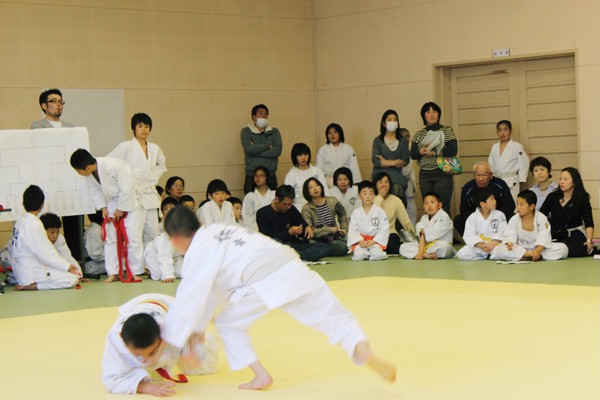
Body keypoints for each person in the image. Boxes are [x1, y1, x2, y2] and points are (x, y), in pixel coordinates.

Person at [158, 206, 396, 390]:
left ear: (175, 240)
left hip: (262, 278)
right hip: (290, 263)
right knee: (334, 316)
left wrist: (168, 348)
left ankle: (261, 375)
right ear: (199, 223)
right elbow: (213, 290)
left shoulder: (197, 252)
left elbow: (190, 299)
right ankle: (361, 347)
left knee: (229, 323)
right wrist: (198, 331)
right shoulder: (220, 230)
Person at [102, 293, 218, 396]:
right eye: (139, 354)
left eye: (152, 351)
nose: (147, 358)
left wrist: (194, 350)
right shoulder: (115, 338)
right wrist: (145, 387)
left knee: (200, 367)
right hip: (140, 308)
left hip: (168, 308)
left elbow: (198, 321)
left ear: (161, 337)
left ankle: (199, 344)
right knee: (149, 376)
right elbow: (111, 380)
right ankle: (153, 360)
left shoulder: (173, 322)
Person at [70, 148, 145, 283]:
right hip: (111, 203)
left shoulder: (116, 165)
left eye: (78, 170)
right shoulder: (89, 175)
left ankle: (134, 271)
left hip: (131, 202)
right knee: (110, 238)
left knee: (132, 237)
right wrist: (103, 207)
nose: (78, 173)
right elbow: (95, 191)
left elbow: (126, 188)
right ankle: (113, 272)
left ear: (87, 168)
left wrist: (121, 208)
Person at [30, 88, 83, 261]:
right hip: (47, 178)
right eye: (54, 101)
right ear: (44, 105)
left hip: (68, 180)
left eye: (61, 101)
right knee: (48, 221)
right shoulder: (38, 126)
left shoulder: (71, 128)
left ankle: (76, 262)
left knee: (73, 222)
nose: (58, 105)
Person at [109, 113, 167, 246]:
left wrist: (153, 177)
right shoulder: (126, 146)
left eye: (147, 126)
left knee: (152, 233)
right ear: (134, 128)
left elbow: (162, 166)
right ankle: (136, 267)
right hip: (133, 195)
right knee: (134, 235)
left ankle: (150, 264)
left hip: (150, 195)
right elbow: (110, 164)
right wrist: (125, 180)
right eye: (140, 126)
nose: (144, 129)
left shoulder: (155, 148)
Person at [11, 185, 80, 291]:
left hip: (21, 270)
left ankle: (31, 284)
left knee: (62, 272)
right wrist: (67, 266)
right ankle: (35, 286)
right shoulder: (34, 224)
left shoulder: (20, 221)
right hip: (31, 272)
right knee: (72, 279)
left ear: (23, 203)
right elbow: (45, 253)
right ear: (42, 205)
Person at [256, 185, 329, 262]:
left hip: (294, 245)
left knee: (323, 247)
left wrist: (307, 228)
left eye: (290, 204)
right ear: (276, 199)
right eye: (285, 204)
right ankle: (294, 255)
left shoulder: (292, 209)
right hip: (277, 246)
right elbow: (267, 238)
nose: (288, 207)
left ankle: (293, 256)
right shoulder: (262, 213)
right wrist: (289, 233)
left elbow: (302, 224)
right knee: (275, 242)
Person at [410, 102, 458, 216]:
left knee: (443, 207)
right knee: (429, 208)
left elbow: (452, 150)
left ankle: (445, 234)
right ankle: (431, 233)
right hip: (425, 175)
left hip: (442, 172)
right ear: (424, 116)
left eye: (434, 111)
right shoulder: (419, 134)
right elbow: (412, 154)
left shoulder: (446, 130)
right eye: (428, 112)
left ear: (439, 114)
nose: (431, 114)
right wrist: (421, 152)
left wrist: (435, 153)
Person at [492, 190, 568, 261]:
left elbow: (544, 237)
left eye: (521, 205)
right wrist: (510, 243)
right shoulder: (514, 219)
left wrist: (537, 251)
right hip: (521, 248)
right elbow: (510, 235)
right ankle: (527, 255)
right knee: (499, 249)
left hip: (538, 248)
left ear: (532, 206)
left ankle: (527, 256)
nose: (518, 207)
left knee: (563, 248)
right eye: (517, 204)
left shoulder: (541, 218)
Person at [540, 167, 595, 257]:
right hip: (556, 232)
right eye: (561, 179)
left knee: (577, 251)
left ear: (574, 182)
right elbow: (541, 215)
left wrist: (589, 241)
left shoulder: (582, 198)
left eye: (565, 179)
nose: (562, 182)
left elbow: (589, 222)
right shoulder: (552, 197)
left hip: (575, 231)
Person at [453, 161, 515, 236]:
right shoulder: (468, 188)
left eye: (484, 175)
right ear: (473, 175)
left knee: (512, 217)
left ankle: (501, 239)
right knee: (458, 220)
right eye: (478, 175)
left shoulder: (500, 184)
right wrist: (478, 219)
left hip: (498, 220)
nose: (481, 178)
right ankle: (474, 241)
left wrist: (495, 216)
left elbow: (510, 205)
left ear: (491, 175)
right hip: (476, 221)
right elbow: (464, 210)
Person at [301, 178, 348, 257]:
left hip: (332, 239)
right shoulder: (306, 209)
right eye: (311, 187)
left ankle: (322, 251)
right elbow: (310, 232)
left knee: (342, 246)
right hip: (316, 240)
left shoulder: (332, 201)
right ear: (307, 192)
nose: (315, 188)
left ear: (321, 187)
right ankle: (322, 250)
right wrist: (329, 230)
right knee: (311, 244)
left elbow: (342, 213)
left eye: (316, 185)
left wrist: (344, 229)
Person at [400, 192, 455, 260]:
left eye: (432, 202)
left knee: (444, 247)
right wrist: (421, 251)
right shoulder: (424, 218)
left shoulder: (444, 216)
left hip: (439, 246)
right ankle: (426, 255)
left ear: (439, 205)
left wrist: (420, 252)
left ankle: (422, 254)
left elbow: (434, 232)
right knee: (403, 247)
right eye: (426, 203)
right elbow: (423, 235)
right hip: (425, 247)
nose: (429, 205)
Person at [456, 188, 507, 261]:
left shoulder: (500, 215)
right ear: (482, 204)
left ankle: (488, 255)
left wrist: (494, 242)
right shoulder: (472, 217)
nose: (495, 201)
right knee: (462, 254)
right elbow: (469, 235)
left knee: (505, 250)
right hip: (480, 246)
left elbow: (503, 231)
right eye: (491, 199)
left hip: (495, 245)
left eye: (494, 199)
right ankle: (489, 256)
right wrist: (479, 244)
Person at [241, 104, 282, 194]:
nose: (263, 115)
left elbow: (277, 151)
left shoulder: (274, 132)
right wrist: (267, 146)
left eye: (266, 114)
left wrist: (254, 150)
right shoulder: (246, 131)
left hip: (270, 174)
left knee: (272, 203)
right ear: (254, 117)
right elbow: (248, 149)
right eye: (260, 113)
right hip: (251, 174)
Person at [371, 110, 410, 203]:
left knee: (397, 206)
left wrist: (384, 161)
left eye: (395, 119)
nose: (393, 122)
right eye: (389, 120)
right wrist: (395, 162)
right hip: (380, 177)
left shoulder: (403, 141)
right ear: (384, 124)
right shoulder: (378, 140)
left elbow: (405, 161)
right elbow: (376, 161)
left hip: (397, 178)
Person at [373, 172, 415, 254]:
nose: (384, 185)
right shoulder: (371, 199)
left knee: (392, 244)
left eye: (386, 182)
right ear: (375, 185)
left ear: (390, 185)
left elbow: (406, 221)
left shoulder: (396, 200)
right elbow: (373, 216)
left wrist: (414, 239)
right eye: (380, 182)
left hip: (390, 233)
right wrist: (380, 197)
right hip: (373, 234)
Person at [347, 180, 389, 261]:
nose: (368, 196)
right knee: (358, 257)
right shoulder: (356, 212)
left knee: (377, 256)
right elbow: (353, 230)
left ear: (374, 195)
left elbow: (384, 228)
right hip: (361, 242)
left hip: (374, 241)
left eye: (371, 193)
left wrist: (374, 241)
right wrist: (359, 241)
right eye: (365, 193)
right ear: (359, 196)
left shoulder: (379, 211)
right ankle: (367, 253)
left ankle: (375, 254)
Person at [488, 120, 530, 201]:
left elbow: (524, 162)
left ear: (510, 131)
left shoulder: (517, 146)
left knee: (512, 204)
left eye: (505, 130)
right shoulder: (494, 147)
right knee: (498, 203)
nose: (502, 133)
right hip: (496, 180)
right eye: (500, 130)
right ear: (497, 132)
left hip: (511, 181)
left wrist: (522, 179)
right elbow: (490, 163)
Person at [143, 203, 182, 283]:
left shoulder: (184, 235)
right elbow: (164, 256)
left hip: (174, 257)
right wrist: (167, 275)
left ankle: (168, 270)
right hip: (154, 255)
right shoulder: (163, 239)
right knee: (158, 275)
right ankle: (152, 270)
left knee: (182, 272)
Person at [284, 143, 329, 211]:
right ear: (295, 157)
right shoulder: (291, 174)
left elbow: (325, 189)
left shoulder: (317, 171)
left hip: (318, 205)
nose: (303, 158)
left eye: (305, 154)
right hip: (299, 207)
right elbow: (287, 195)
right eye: (300, 155)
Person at [316, 123, 362, 187]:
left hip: (345, 181)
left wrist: (356, 182)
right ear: (327, 135)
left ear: (340, 133)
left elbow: (354, 167)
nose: (332, 135)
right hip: (328, 182)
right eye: (330, 133)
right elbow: (319, 169)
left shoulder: (348, 149)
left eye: (335, 132)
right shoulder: (323, 150)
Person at [39, 213, 84, 277]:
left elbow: (68, 257)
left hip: (57, 269)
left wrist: (79, 275)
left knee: (72, 278)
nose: (55, 236)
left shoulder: (60, 238)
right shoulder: (38, 239)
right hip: (41, 270)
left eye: (57, 232)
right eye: (52, 232)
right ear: (43, 230)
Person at [241, 166, 275, 232]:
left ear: (267, 177)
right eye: (256, 175)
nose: (258, 178)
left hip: (273, 227)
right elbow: (246, 216)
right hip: (255, 229)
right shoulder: (250, 196)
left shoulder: (274, 194)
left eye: (262, 175)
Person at [399, 128, 418, 226]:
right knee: (401, 210)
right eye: (404, 137)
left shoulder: (409, 154)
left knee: (412, 210)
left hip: (409, 185)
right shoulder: (396, 152)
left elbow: (408, 171)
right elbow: (403, 170)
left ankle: (412, 231)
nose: (407, 139)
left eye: (408, 137)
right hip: (399, 185)